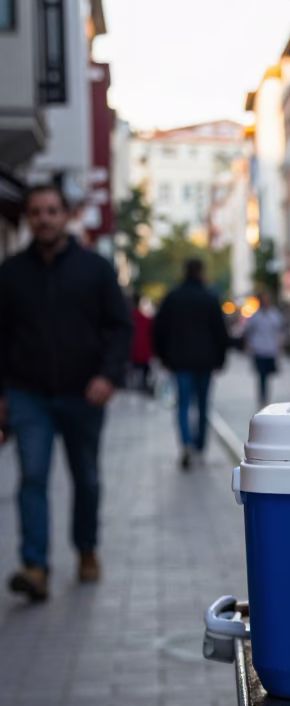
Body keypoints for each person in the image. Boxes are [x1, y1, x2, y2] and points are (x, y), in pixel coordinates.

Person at [0, 184, 132, 602]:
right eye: (37, 212)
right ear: (28, 218)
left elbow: (120, 327)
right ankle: (35, 566)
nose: (44, 219)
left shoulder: (95, 268)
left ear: (66, 215)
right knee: (32, 477)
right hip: (28, 394)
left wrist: (108, 376)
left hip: (84, 392)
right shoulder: (10, 273)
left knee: (86, 478)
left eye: (52, 211)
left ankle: (86, 548)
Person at [153, 259, 230, 470]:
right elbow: (220, 331)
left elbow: (159, 330)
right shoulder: (209, 297)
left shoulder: (173, 297)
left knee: (183, 404)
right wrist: (221, 359)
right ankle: (200, 447)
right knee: (203, 404)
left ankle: (186, 442)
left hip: (180, 361)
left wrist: (164, 357)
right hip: (206, 360)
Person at [243, 291, 284, 407]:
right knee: (261, 376)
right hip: (259, 350)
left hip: (270, 350)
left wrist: (280, 346)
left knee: (268, 376)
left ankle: (265, 396)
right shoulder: (255, 316)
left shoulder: (275, 315)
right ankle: (262, 398)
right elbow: (249, 331)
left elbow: (280, 331)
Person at [130, 292, 155, 395]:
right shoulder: (147, 320)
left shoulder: (129, 319)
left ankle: (136, 385)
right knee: (144, 371)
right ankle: (142, 384)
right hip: (144, 353)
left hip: (132, 353)